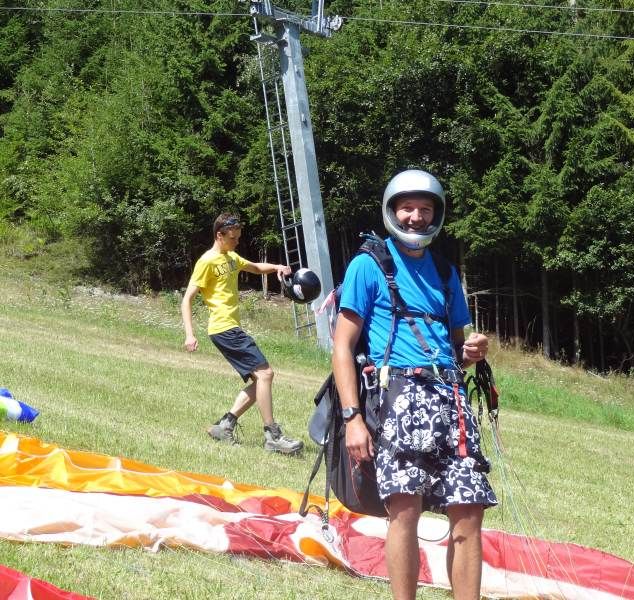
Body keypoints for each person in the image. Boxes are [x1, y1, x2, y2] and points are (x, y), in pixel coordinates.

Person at [332, 170, 496, 600]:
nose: (416, 217)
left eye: (425, 209)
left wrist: (472, 351)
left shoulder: (444, 271)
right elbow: (342, 346)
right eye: (407, 208)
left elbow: (455, 347)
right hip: (399, 397)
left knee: (469, 510)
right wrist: (352, 419)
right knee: (405, 508)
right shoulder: (368, 265)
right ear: (392, 211)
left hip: (451, 399)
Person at [181, 212, 303, 454]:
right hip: (223, 328)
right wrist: (189, 334)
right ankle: (272, 436)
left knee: (261, 381)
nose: (237, 241)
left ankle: (224, 426)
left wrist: (277, 267)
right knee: (265, 374)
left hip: (230, 328)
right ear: (219, 235)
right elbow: (187, 299)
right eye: (233, 238)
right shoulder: (207, 262)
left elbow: (255, 267)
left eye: (238, 237)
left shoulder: (231, 257)